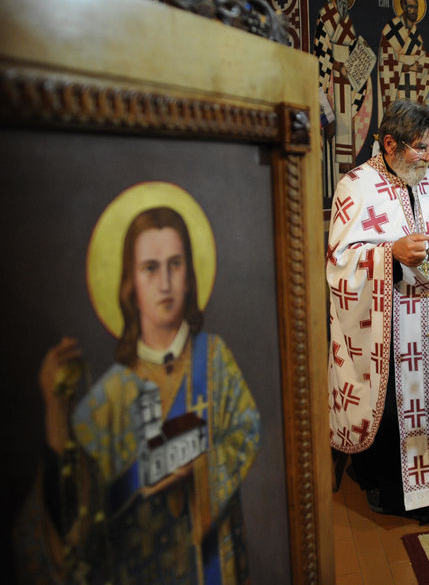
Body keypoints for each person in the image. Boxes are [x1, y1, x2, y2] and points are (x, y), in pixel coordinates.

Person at [17, 206, 260, 584]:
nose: (164, 282)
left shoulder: (213, 360)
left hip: (210, 565)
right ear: (129, 283)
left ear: (190, 275)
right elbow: (69, 520)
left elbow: (246, 429)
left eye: (175, 264)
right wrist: (54, 410)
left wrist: (197, 471)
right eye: (150, 267)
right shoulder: (109, 398)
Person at [326, 99, 429, 531]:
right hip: (384, 321)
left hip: (428, 315)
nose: (428, 158)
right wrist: (390, 252)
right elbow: (339, 261)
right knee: (394, 402)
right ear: (389, 143)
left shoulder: (426, 181)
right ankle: (387, 487)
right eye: (420, 148)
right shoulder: (355, 185)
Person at [314, 0, 373, 200]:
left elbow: (350, 51)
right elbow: (322, 51)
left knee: (346, 138)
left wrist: (361, 52)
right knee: (334, 136)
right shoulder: (326, 15)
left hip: (347, 87)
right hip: (332, 85)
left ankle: (348, 193)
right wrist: (336, 67)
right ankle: (332, 192)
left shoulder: (347, 20)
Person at [377, 0, 429, 124]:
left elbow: (422, 61)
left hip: (412, 85)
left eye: (416, 7)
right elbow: (385, 63)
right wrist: (406, 67)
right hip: (396, 85)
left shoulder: (415, 34)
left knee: (412, 123)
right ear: (404, 8)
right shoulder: (391, 29)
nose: (414, 10)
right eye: (411, 7)